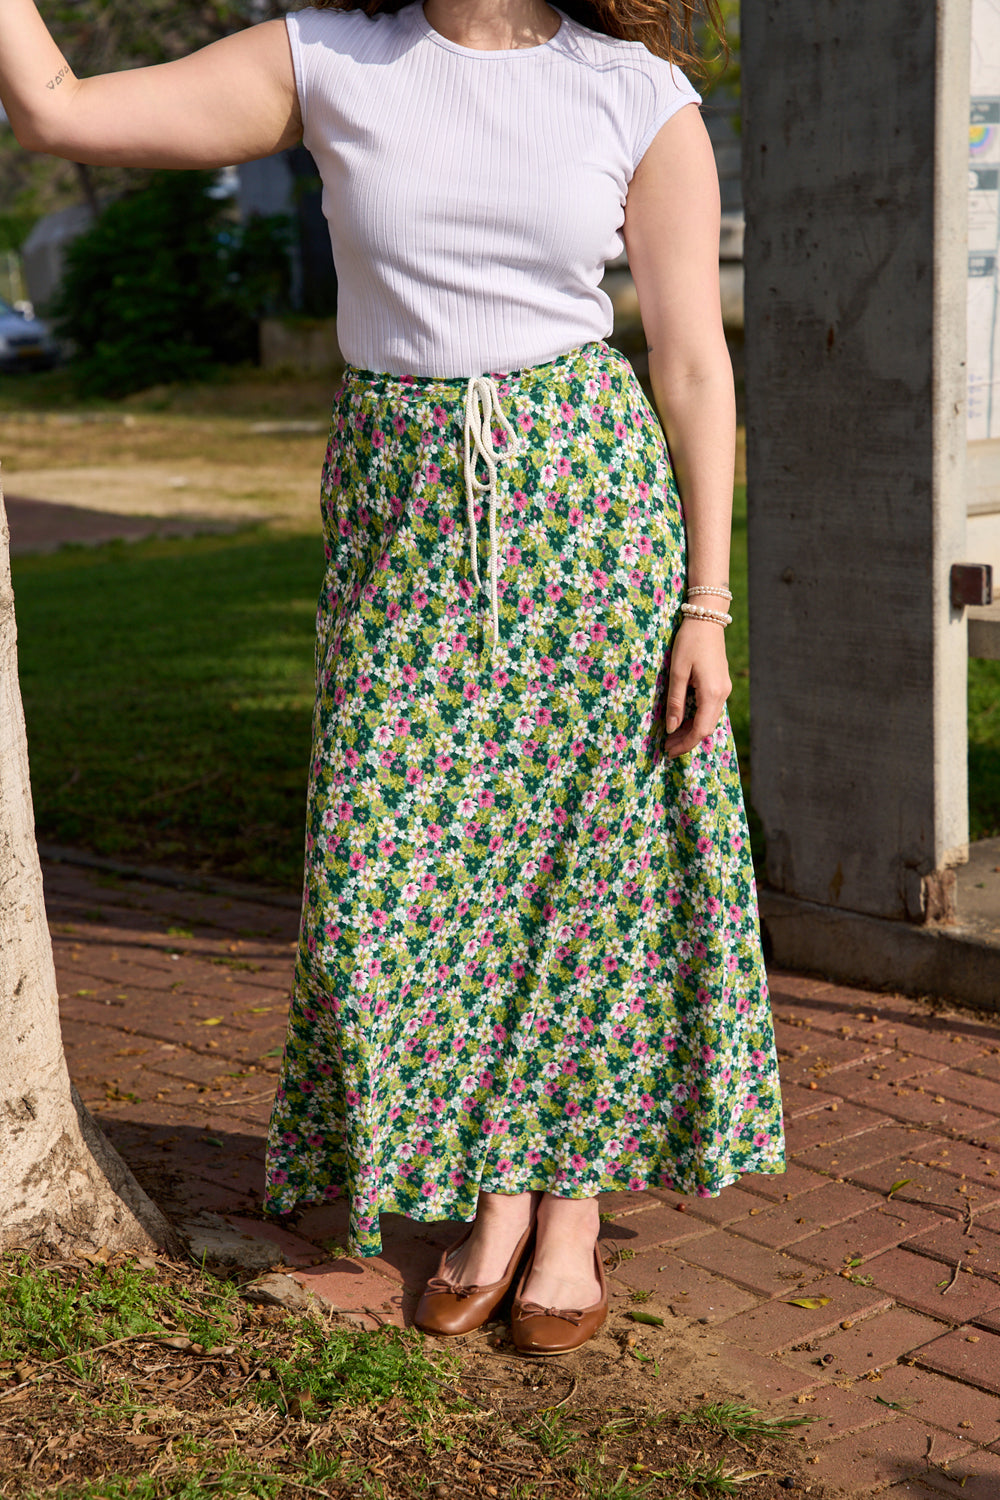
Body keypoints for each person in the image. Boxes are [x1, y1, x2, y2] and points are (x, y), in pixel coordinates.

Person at [1, 0, 785, 1356]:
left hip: (589, 511)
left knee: (594, 862)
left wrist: (705, 602)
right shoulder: (329, 57)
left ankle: (565, 1209)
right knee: (401, 858)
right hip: (403, 522)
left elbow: (694, 362)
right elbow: (60, 108)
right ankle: (488, 1179)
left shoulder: (633, 89)